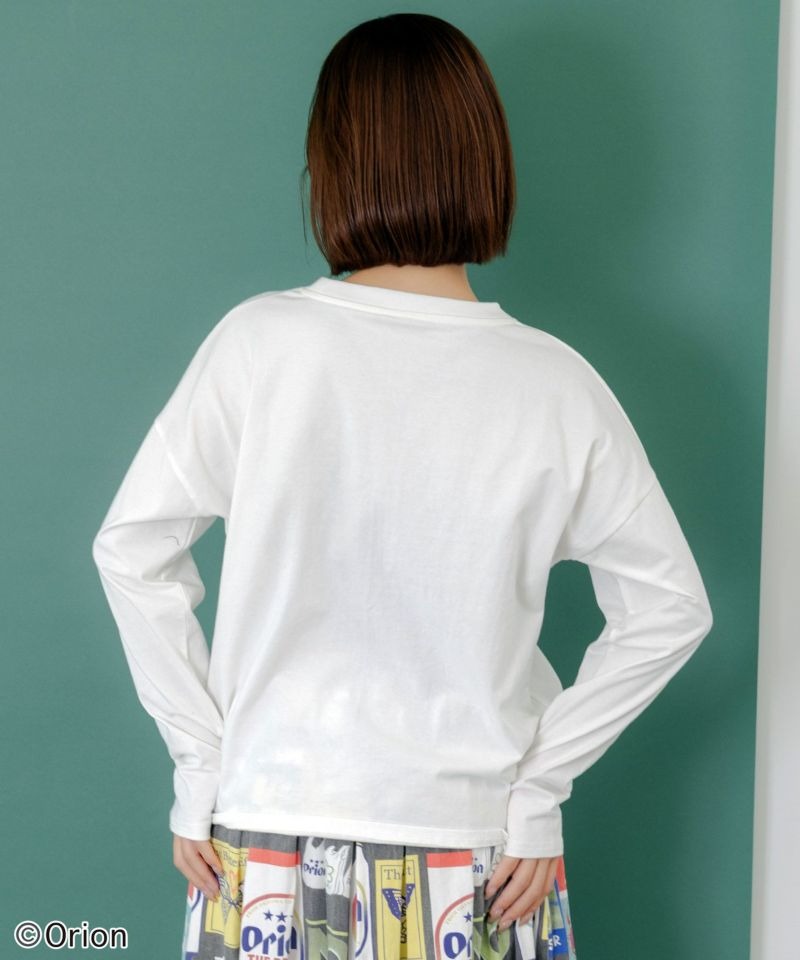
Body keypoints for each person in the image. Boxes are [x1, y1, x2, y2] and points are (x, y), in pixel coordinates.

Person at [91, 12, 713, 960]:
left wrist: (199, 764)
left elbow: (132, 549)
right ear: (484, 163)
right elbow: (671, 607)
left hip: (267, 842)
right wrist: (540, 788)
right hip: (483, 858)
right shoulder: (555, 383)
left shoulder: (261, 346)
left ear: (333, 164)